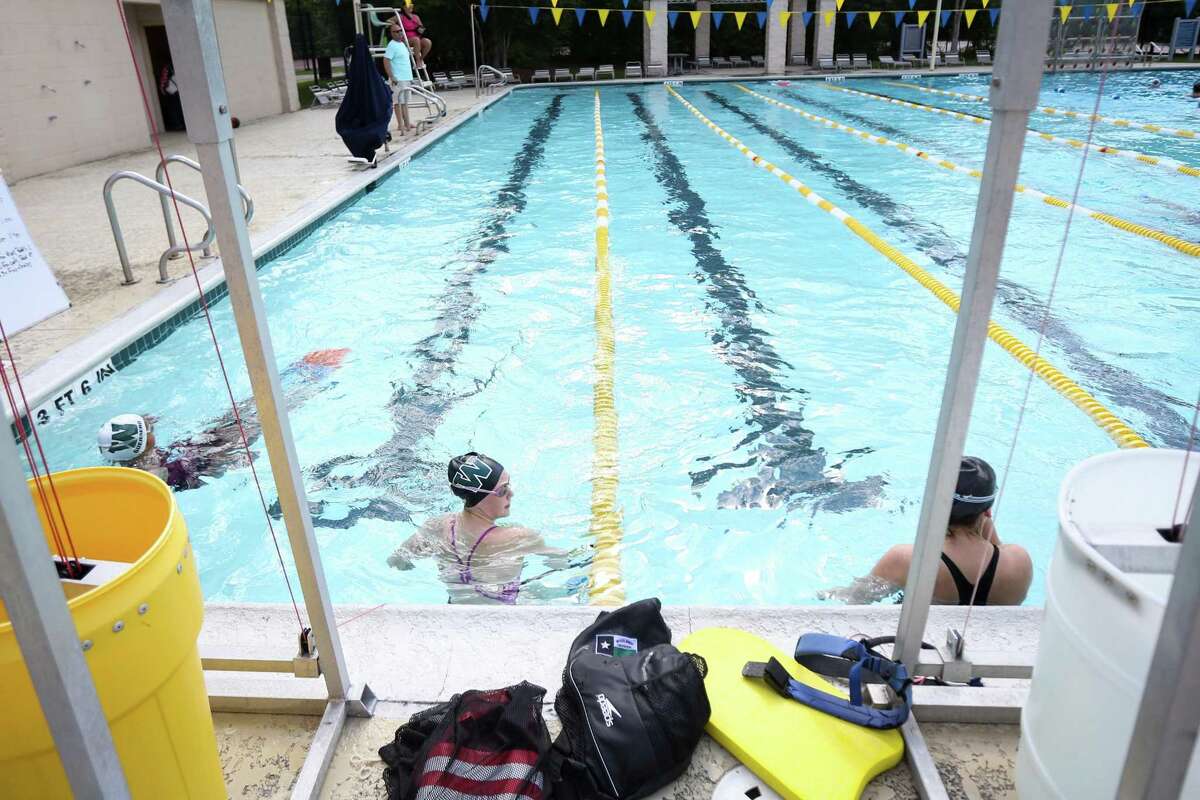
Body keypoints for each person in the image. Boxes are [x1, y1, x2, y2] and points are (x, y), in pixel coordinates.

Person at [96, 348, 349, 491]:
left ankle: (305, 372)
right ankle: (315, 376)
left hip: (200, 448)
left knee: (248, 410)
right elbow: (192, 471)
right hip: (210, 456)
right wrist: (233, 458)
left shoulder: (131, 468)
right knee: (264, 413)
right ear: (148, 440)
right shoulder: (154, 475)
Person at [820, 456, 1033, 606]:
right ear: (988, 511)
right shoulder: (1019, 562)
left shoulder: (909, 560)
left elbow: (856, 599)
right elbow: (996, 548)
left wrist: (826, 593)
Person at [388, 452, 590, 604]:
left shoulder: (436, 526)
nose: (511, 494)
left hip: (456, 608)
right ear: (480, 497)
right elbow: (560, 562)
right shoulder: (518, 537)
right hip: (505, 615)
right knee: (538, 590)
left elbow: (397, 560)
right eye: (502, 490)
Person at [383, 24, 414, 136]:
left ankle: (407, 123)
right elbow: (386, 61)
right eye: (396, 31)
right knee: (397, 102)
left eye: (400, 30)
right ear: (391, 33)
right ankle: (400, 124)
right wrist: (392, 76)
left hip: (406, 77)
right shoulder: (391, 45)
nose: (399, 33)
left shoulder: (402, 44)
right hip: (397, 78)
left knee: (405, 102)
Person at [396, 4, 431, 70]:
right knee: (416, 40)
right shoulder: (400, 16)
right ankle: (417, 61)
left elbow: (421, 27)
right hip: (405, 39)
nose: (411, 7)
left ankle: (421, 59)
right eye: (409, 6)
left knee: (427, 42)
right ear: (404, 7)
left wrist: (421, 29)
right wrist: (396, 27)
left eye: (411, 6)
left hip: (416, 38)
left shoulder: (416, 17)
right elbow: (389, 21)